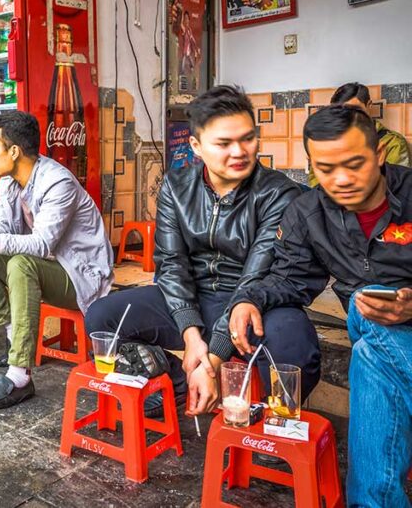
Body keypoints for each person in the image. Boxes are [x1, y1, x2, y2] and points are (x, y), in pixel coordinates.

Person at [85, 86, 313, 418]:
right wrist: (192, 337)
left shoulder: (279, 194)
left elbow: (257, 275)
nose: (239, 151)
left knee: (294, 343)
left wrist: (214, 359)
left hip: (254, 302)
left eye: (248, 139)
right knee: (101, 317)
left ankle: (277, 420)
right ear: (197, 146)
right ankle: (183, 384)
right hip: (192, 298)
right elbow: (172, 265)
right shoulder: (176, 187)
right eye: (223, 143)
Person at [227, 105, 412, 506]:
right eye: (326, 169)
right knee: (369, 329)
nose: (341, 180)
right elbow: (290, 279)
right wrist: (247, 298)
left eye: (354, 164)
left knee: (369, 347)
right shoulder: (309, 214)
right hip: (379, 334)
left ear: (380, 154)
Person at [0, 110, 114, 410]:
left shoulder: (58, 183)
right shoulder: (10, 181)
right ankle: (14, 340)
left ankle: (19, 376)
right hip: (45, 266)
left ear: (14, 151)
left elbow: (42, 244)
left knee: (21, 263)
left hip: (81, 275)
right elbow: (3, 230)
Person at [307, 82, 410, 188]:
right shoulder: (327, 142)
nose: (348, 116)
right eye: (340, 111)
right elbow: (316, 183)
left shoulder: (392, 142)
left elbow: (398, 185)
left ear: (369, 106)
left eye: (355, 110)